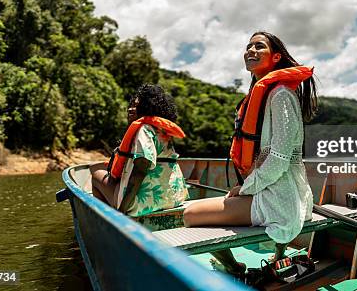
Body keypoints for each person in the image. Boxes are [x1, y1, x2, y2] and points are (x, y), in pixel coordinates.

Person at [183, 31, 318, 277]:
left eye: (259, 46)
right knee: (213, 205)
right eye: (249, 46)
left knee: (190, 214)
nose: (251, 50)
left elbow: (279, 158)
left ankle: (235, 269)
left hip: (281, 201)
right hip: (280, 195)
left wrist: (244, 189)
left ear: (276, 57)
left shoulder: (280, 96)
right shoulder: (267, 94)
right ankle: (277, 258)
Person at [90, 84, 188, 217]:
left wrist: (122, 210)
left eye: (137, 106)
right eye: (131, 105)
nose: (130, 109)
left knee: (96, 175)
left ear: (148, 108)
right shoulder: (164, 133)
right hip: (172, 199)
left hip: (144, 204)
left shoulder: (144, 130)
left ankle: (106, 219)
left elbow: (141, 169)